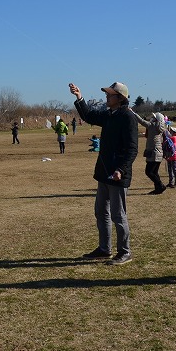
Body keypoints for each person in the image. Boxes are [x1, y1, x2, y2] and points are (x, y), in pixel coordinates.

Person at [70, 81, 138, 266]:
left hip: (117, 175)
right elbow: (90, 116)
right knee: (101, 212)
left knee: (118, 215)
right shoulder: (109, 115)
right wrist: (79, 97)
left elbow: (132, 149)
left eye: (110, 95)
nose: (106, 97)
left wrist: (120, 170)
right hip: (104, 173)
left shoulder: (127, 117)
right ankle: (104, 249)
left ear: (120, 98)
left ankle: (125, 252)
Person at [136, 111, 167, 194]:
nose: (151, 118)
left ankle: (160, 186)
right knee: (154, 172)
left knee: (149, 171)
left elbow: (141, 121)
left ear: (156, 119)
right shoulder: (160, 127)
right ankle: (158, 189)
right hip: (158, 152)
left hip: (154, 152)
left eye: (153, 117)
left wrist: (133, 113)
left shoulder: (152, 126)